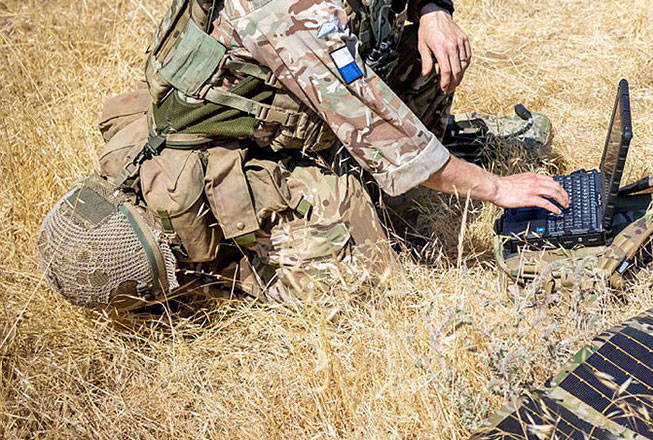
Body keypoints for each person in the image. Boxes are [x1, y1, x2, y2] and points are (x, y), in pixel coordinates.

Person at [88, 0, 570, 304]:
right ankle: (222, 271)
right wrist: (497, 188)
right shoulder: (291, 17)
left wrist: (432, 8)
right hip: (228, 167)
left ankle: (424, 157)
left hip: (275, 122)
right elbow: (386, 137)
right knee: (360, 274)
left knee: (406, 39)